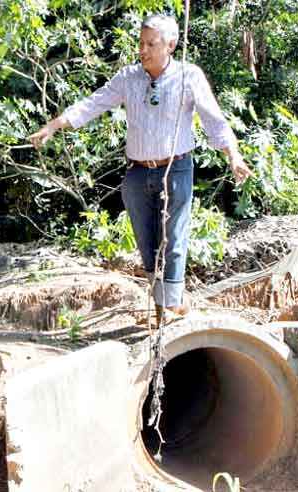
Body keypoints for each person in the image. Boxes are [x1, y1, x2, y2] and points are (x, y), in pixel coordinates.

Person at [29, 14, 253, 321]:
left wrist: (234, 155)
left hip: (175, 169)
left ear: (171, 45)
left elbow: (215, 120)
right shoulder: (128, 77)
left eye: (151, 44)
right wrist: (55, 125)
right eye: (141, 42)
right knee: (148, 244)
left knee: (173, 239)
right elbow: (93, 103)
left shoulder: (189, 76)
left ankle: (170, 309)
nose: (143, 50)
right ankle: (166, 306)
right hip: (137, 173)